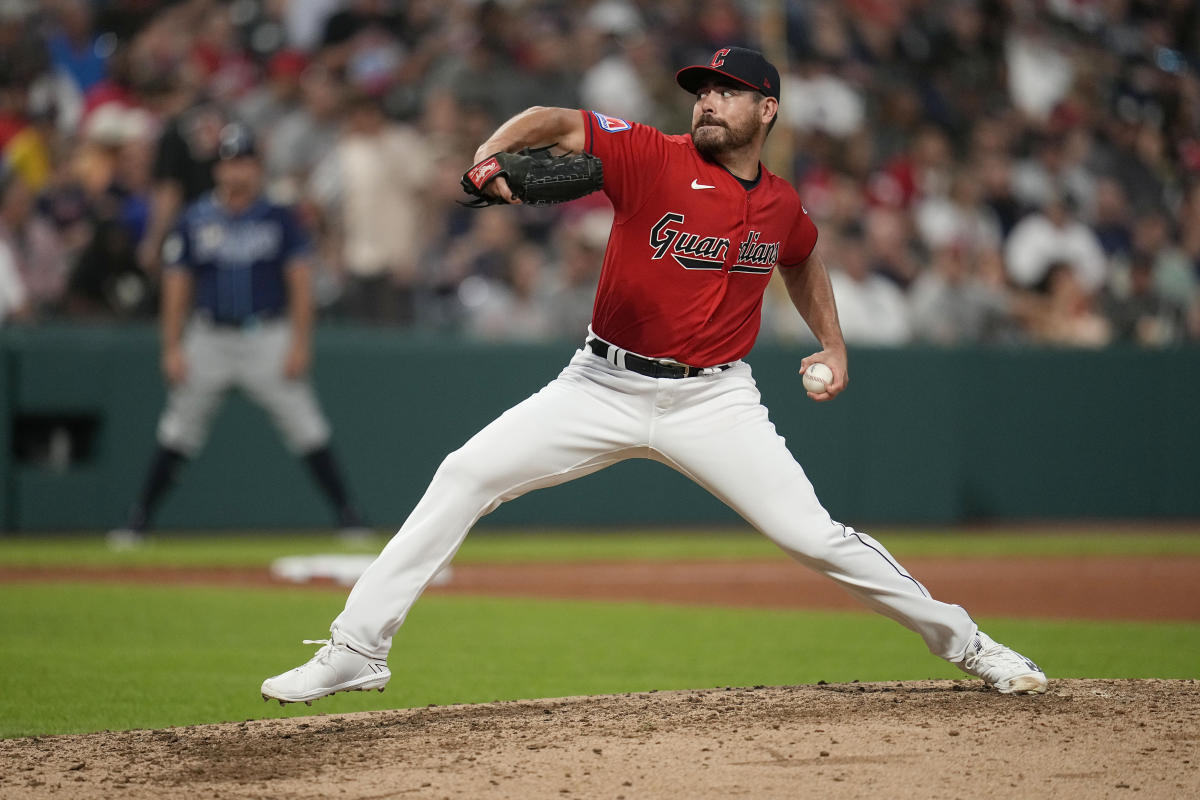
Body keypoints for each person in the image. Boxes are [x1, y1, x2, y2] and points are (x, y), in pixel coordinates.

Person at [261, 48, 1047, 704]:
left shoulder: (780, 204)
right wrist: (488, 158)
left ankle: (971, 643)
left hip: (715, 399)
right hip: (598, 386)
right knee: (464, 473)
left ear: (766, 110)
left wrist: (833, 344)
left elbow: (802, 257)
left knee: (817, 538)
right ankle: (358, 648)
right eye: (701, 90)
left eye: (726, 92)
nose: (707, 101)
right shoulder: (649, 154)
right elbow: (554, 122)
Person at [109, 123, 367, 547]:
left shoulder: (279, 217)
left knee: (306, 427)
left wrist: (300, 343)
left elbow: (300, 284)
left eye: (244, 161)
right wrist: (172, 346)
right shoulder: (195, 217)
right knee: (178, 430)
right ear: (217, 170)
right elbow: (177, 288)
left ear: (257, 168)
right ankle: (138, 519)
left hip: (267, 335)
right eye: (229, 162)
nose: (237, 170)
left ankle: (348, 515)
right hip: (208, 337)